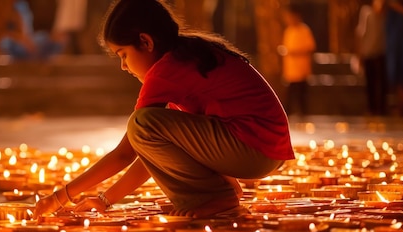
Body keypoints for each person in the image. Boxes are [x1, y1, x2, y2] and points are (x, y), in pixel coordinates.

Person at [34, 0, 294, 219]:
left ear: (145, 42)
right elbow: (152, 154)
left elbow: (126, 153)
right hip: (264, 149)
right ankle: (215, 195)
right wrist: (105, 199)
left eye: (123, 55)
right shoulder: (186, 55)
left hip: (255, 147)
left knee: (142, 123)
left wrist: (59, 197)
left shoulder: (167, 70)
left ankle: (211, 199)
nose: (123, 66)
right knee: (148, 128)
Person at [279, 6, 316, 118]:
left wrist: (294, 52)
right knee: (290, 95)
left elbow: (310, 48)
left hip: (301, 69)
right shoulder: (288, 31)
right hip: (290, 70)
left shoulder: (304, 30)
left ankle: (303, 114)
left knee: (302, 94)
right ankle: (287, 114)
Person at [356, 0, 387, 116]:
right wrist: (360, 54)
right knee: (370, 83)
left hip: (381, 53)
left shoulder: (385, 15)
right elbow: (360, 34)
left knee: (382, 83)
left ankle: (381, 109)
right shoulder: (366, 12)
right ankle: (371, 108)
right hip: (368, 52)